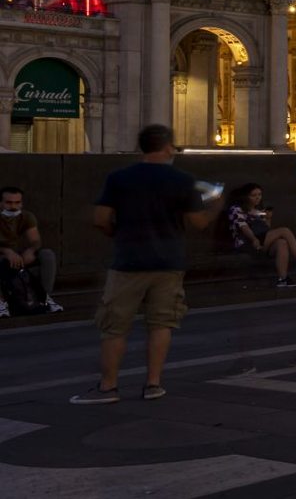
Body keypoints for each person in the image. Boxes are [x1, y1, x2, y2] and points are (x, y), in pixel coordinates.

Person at [72, 125, 221, 404]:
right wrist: (216, 206)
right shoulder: (183, 179)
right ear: (166, 148)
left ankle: (108, 387)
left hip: (128, 261)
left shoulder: (119, 178)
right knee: (161, 323)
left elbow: (100, 218)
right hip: (169, 262)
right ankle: (153, 384)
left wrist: (118, 234)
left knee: (114, 326)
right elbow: (198, 222)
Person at [225, 184, 296, 287]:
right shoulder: (236, 209)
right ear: (245, 196)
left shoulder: (258, 211)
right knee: (285, 231)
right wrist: (254, 239)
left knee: (282, 243)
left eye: (259, 194)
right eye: (253, 195)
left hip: (261, 240)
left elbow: (266, 230)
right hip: (246, 242)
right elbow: (243, 227)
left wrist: (268, 218)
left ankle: (283, 279)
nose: (257, 198)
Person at [0, 185, 60, 314]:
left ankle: (44, 298)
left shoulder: (26, 216)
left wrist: (31, 250)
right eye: (9, 202)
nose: (13, 206)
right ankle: (1, 302)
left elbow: (35, 240)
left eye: (17, 202)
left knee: (47, 255)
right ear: (1, 203)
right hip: (2, 255)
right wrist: (6, 251)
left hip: (17, 255)